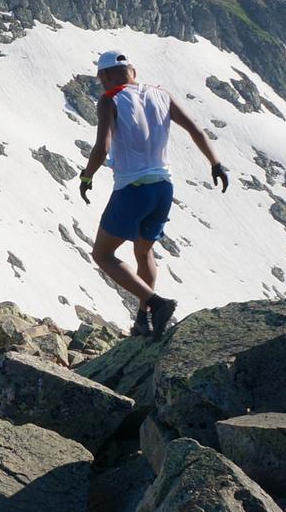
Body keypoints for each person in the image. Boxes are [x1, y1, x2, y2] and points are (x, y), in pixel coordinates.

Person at [78, 51, 228, 337]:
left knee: (103, 254)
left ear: (105, 76)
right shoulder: (162, 95)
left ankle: (156, 304)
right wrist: (216, 163)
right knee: (144, 250)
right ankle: (143, 321)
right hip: (163, 187)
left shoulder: (110, 99)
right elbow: (195, 129)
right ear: (132, 71)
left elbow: (103, 147)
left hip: (133, 189)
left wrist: (87, 176)